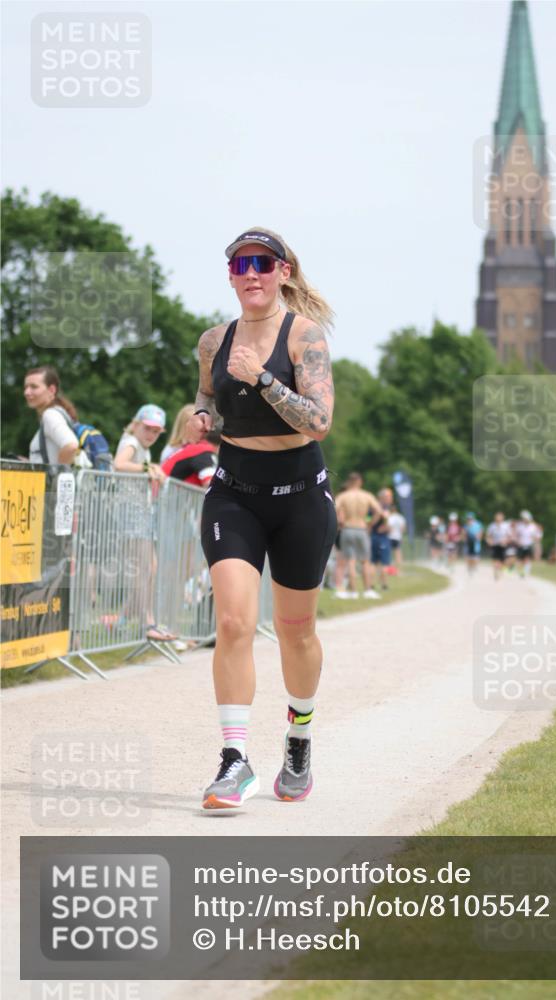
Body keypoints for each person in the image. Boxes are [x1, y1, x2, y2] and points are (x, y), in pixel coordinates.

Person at [195, 227, 337, 808]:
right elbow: (207, 395)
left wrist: (263, 377)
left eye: (262, 263)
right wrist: (202, 417)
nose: (250, 273)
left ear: (283, 271)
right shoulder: (213, 341)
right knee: (233, 622)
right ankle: (235, 761)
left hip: (301, 497)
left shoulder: (305, 337)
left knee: (295, 629)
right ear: (231, 276)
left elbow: (319, 422)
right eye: (240, 265)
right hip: (234, 493)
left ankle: (298, 735)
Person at [113, 404, 176, 642]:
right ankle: (147, 622)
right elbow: (119, 464)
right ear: (137, 424)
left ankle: (127, 619)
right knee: (145, 568)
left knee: (149, 567)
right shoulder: (131, 442)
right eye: (147, 428)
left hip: (139, 512)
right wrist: (148, 469)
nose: (151, 434)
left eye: (156, 431)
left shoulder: (141, 447)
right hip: (131, 512)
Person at [334, 473, 383, 599]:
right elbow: (379, 511)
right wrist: (370, 524)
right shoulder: (366, 495)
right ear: (360, 482)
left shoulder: (343, 496)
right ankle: (367, 590)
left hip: (347, 529)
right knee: (365, 561)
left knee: (350, 561)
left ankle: (353, 591)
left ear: (349, 482)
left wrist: (340, 522)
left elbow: (334, 509)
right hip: (361, 528)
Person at [24, 365, 80, 466]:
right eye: (26, 387)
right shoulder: (57, 413)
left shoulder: (50, 415)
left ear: (51, 390)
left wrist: (56, 472)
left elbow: (71, 446)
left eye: (34, 387)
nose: (27, 392)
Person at [370, 487, 393, 589]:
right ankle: (384, 585)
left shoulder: (372, 507)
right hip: (381, 537)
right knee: (384, 563)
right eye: (389, 496)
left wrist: (370, 525)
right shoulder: (383, 508)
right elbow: (386, 523)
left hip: (373, 536)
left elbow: (367, 518)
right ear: (382, 497)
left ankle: (371, 584)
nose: (391, 499)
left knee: (373, 562)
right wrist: (385, 527)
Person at [486, 511, 512, 580]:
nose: (498, 518)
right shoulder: (492, 526)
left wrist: (505, 541)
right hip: (495, 545)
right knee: (495, 559)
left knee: (503, 560)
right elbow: (488, 536)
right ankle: (496, 571)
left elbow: (510, 536)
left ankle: (500, 570)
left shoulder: (506, 525)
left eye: (500, 517)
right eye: (497, 517)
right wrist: (489, 541)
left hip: (503, 545)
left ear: (502, 518)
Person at [515, 510, 538, 578]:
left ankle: (526, 571)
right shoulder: (520, 526)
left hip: (529, 544)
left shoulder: (533, 526)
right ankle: (521, 571)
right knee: (520, 559)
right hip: (521, 544)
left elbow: (535, 536)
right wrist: (518, 541)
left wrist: (534, 543)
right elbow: (517, 535)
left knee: (527, 558)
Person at [387, 504, 407, 574]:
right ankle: (399, 570)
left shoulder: (389, 517)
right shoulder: (400, 517)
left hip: (390, 537)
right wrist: (400, 535)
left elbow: (389, 527)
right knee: (398, 554)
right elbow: (403, 528)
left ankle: (389, 569)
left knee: (389, 554)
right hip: (398, 537)